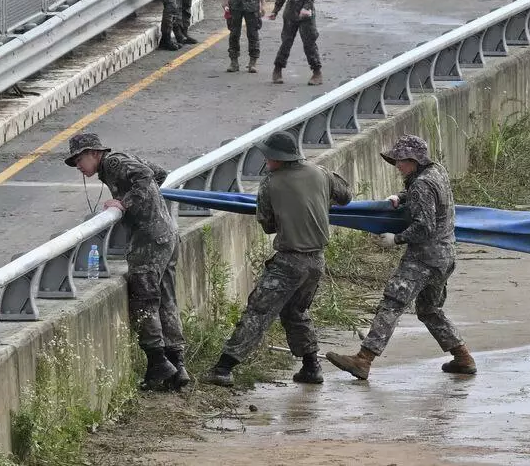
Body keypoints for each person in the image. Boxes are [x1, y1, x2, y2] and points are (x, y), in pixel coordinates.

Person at [202, 132, 351, 387]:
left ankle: (224, 368)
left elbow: (268, 224)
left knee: (258, 312)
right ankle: (311, 366)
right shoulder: (321, 173)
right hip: (316, 262)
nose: (265, 161)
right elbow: (345, 197)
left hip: (289, 262)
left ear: (278, 159)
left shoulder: (270, 183)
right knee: (296, 311)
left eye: (268, 157)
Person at [326, 136, 477, 379]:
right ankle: (463, 357)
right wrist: (401, 196)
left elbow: (424, 227)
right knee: (429, 309)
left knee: (392, 304)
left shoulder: (420, 185)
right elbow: (429, 196)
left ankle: (363, 360)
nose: (398, 165)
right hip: (445, 255)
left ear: (414, 160)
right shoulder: (437, 171)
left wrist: (395, 239)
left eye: (402, 161)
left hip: (423, 258)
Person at [64, 133, 187, 389]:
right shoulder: (120, 162)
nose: (78, 166)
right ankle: (178, 366)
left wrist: (124, 203)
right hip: (166, 235)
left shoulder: (113, 164)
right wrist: (148, 204)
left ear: (95, 153)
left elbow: (145, 176)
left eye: (79, 159)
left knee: (144, 302)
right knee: (165, 299)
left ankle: (158, 363)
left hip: (149, 242)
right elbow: (160, 173)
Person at [268, 0, 323, 86]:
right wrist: (275, 10)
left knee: (309, 43)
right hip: (290, 12)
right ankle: (278, 69)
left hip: (305, 14)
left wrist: (306, 7)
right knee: (286, 42)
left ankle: (317, 72)